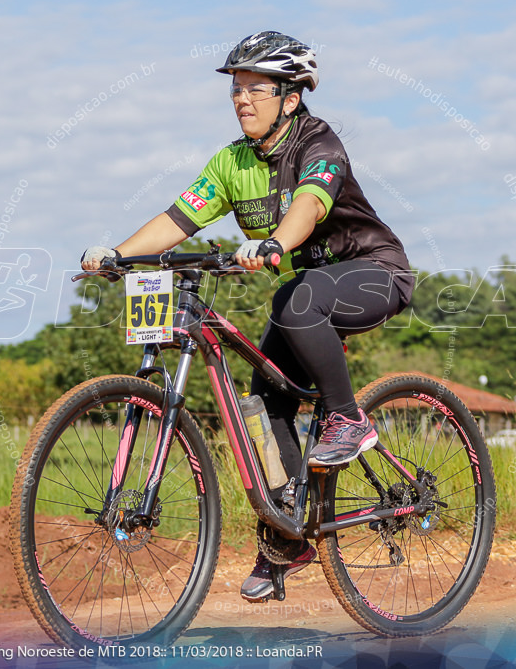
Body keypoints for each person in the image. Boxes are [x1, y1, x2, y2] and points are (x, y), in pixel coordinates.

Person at [81, 31, 414, 602]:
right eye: (236, 89)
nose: (241, 99)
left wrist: (275, 244)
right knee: (264, 398)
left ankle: (347, 420)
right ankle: (284, 540)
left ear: (290, 96)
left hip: (372, 272)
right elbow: (179, 219)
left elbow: (308, 205)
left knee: (294, 298)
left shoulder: (319, 143)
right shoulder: (232, 163)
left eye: (256, 88)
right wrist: (118, 255)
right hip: (301, 295)